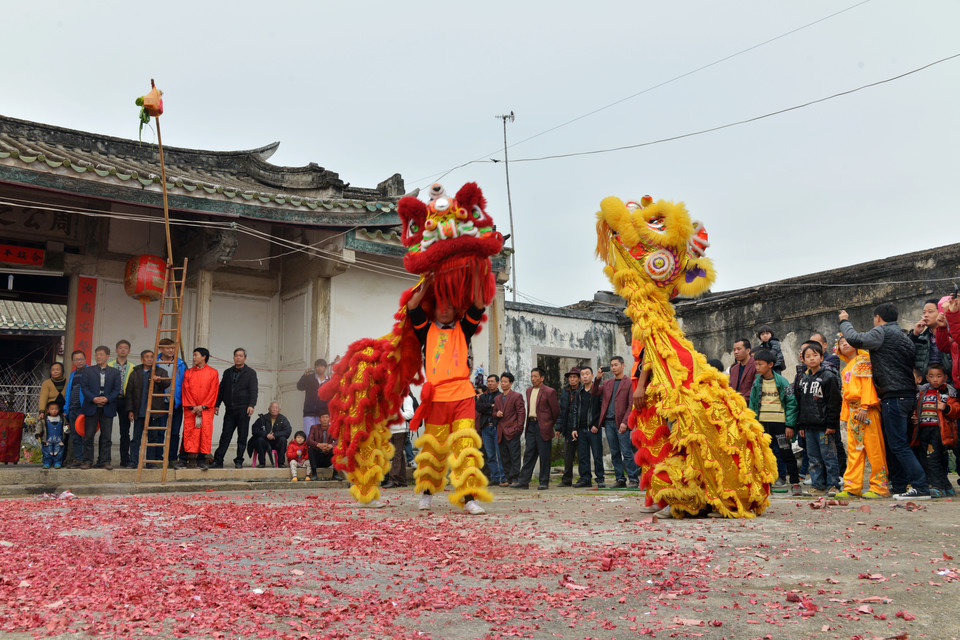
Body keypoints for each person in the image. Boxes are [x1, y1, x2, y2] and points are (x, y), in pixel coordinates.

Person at [407, 273, 491, 515]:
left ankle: (469, 498)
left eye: (449, 308)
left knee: (465, 446)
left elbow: (477, 304)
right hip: (436, 399)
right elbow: (412, 305)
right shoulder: (426, 329)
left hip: (463, 395)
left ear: (455, 311)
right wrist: (427, 284)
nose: (444, 311)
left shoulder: (464, 329)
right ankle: (426, 493)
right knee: (433, 449)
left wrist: (475, 275)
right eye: (441, 307)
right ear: (435, 311)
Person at [840, 304, 931, 500]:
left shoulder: (882, 332)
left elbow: (855, 339)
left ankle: (920, 485)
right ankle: (899, 485)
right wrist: (914, 336)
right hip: (906, 394)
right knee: (897, 443)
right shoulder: (902, 337)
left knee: (897, 445)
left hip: (894, 396)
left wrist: (844, 321)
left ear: (878, 317)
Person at [832, 337, 889, 499]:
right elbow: (845, 396)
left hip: (867, 411)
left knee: (874, 450)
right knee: (854, 451)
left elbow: (867, 384)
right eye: (841, 343)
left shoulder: (863, 360)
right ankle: (852, 486)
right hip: (852, 413)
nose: (844, 344)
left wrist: (865, 406)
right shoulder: (846, 368)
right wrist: (844, 417)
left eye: (847, 341)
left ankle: (879, 487)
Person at [748, 348, 801, 495]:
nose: (757, 367)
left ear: (770, 364)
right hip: (762, 426)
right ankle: (766, 484)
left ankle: (795, 483)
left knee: (786, 453)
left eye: (760, 364)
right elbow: (752, 405)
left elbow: (791, 404)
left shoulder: (782, 382)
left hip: (780, 425)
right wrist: (753, 424)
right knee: (764, 454)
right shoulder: (756, 384)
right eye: (756, 364)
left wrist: (789, 425)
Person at [794, 342, 842, 496]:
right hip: (808, 427)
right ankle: (818, 485)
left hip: (824, 426)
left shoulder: (828, 376)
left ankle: (833, 484)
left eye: (815, 355)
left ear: (821, 357)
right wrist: (801, 425)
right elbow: (801, 404)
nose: (812, 359)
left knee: (829, 456)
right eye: (808, 356)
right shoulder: (804, 379)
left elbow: (834, 402)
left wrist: (831, 424)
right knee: (813, 458)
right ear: (803, 359)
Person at [591, 356, 638, 489]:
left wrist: (625, 422)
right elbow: (594, 392)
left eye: (616, 365)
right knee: (614, 452)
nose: (613, 367)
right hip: (609, 422)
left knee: (627, 452)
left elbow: (631, 405)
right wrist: (598, 378)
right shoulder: (607, 383)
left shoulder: (629, 382)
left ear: (623, 366)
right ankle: (620, 479)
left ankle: (633, 479)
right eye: (611, 365)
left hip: (621, 422)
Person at [511, 367, 559, 491]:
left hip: (544, 426)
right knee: (529, 454)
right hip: (531, 425)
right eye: (531, 376)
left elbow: (556, 411)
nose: (533, 379)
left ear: (542, 378)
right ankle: (523, 481)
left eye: (535, 376)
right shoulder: (528, 391)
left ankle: (543, 482)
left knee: (544, 456)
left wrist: (550, 424)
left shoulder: (549, 391)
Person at [913, 363, 957, 498]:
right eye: (931, 376)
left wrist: (947, 408)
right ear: (926, 377)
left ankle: (937, 486)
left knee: (933, 459)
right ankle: (946, 486)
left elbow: (956, 410)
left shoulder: (948, 392)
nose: (935, 379)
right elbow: (918, 407)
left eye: (938, 376)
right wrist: (915, 417)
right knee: (927, 459)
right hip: (923, 430)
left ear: (945, 377)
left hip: (938, 431)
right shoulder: (922, 392)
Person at [213, 348, 259, 469]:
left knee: (242, 436)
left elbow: (254, 390)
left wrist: (251, 405)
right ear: (233, 358)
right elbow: (221, 389)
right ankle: (218, 460)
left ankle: (239, 460)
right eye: (236, 355)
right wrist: (217, 404)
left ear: (245, 358)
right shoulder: (228, 372)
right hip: (230, 409)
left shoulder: (250, 373)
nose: (238, 358)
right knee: (225, 435)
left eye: (240, 356)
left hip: (244, 409)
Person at [78, 346, 121, 469]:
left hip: (107, 407)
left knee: (106, 436)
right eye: (97, 354)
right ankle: (87, 461)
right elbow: (84, 387)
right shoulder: (88, 371)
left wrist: (107, 398)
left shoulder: (115, 372)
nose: (98, 357)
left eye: (101, 354)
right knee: (88, 436)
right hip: (91, 406)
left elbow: (116, 389)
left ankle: (105, 461)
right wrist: (94, 398)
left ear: (107, 356)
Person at [127, 350, 170, 467]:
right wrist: (130, 410)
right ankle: (133, 461)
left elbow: (167, 384)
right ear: (142, 359)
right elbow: (129, 393)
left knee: (153, 438)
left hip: (154, 411)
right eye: (147, 357)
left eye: (152, 357)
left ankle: (150, 462)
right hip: (139, 410)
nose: (150, 359)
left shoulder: (161, 371)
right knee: (136, 438)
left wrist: (159, 380)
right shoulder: (135, 372)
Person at [181, 348, 219, 469]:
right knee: (188, 432)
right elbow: (185, 390)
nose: (193, 358)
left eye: (195, 355)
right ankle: (182, 459)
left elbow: (213, 391)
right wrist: (193, 406)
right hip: (191, 408)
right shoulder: (188, 372)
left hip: (206, 409)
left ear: (203, 357)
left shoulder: (213, 372)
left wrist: (203, 406)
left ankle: (201, 460)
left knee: (205, 433)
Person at [156, 338, 187, 468]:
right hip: (160, 402)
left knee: (174, 432)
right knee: (160, 431)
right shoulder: (155, 363)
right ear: (161, 349)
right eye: (168, 348)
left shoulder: (180, 363)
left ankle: (172, 458)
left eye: (173, 348)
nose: (171, 350)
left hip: (176, 403)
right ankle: (158, 458)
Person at [573, 366, 604, 488]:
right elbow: (575, 410)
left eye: (587, 374)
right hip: (581, 429)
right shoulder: (579, 393)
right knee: (583, 456)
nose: (585, 376)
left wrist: (596, 425)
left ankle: (600, 478)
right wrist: (574, 428)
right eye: (582, 374)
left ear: (592, 376)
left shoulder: (597, 391)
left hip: (594, 429)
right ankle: (585, 478)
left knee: (597, 455)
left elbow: (602, 409)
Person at [107, 339, 135, 468]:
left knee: (125, 432)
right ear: (116, 350)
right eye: (120, 347)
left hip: (125, 400)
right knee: (106, 429)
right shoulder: (110, 365)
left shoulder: (133, 367)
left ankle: (125, 459)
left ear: (129, 351)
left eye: (125, 348)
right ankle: (105, 459)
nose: (123, 350)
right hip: (111, 400)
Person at [494, 372, 525, 487]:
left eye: (505, 381)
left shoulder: (517, 396)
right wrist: (496, 413)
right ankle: (507, 478)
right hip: (501, 432)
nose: (503, 383)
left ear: (511, 383)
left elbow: (521, 413)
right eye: (501, 381)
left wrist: (518, 429)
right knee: (504, 456)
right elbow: (493, 413)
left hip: (513, 431)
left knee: (514, 456)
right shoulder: (497, 398)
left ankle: (515, 478)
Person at [475, 374, 504, 486]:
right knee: (490, 454)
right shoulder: (483, 396)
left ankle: (502, 477)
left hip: (496, 427)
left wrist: (489, 407)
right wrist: (491, 406)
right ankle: (494, 477)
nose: (490, 383)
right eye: (488, 381)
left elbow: (499, 409)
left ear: (497, 383)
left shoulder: (501, 396)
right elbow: (479, 407)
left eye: (492, 381)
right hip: (486, 427)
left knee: (499, 454)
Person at [556, 368, 581, 487]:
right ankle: (567, 479)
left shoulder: (583, 389)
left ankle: (584, 478)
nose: (572, 379)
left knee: (582, 455)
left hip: (580, 427)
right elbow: (561, 410)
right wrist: (558, 428)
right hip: (568, 427)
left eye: (574, 377)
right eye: (570, 377)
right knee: (567, 455)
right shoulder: (565, 391)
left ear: (579, 378)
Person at [910, 299, 947, 378]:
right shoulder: (921, 337)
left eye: (930, 312)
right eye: (924, 312)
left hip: (949, 381)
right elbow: (906, 352)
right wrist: (915, 334)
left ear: (940, 312)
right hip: (926, 383)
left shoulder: (950, 335)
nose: (926, 315)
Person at [384, 394, 414, 489]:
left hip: (401, 430)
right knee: (399, 455)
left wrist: (396, 415)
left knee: (396, 455)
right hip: (392, 430)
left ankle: (393, 479)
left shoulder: (406, 398)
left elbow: (410, 413)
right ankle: (402, 480)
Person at [62, 350, 86, 467]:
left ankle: (86, 459)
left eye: (81, 359)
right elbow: (68, 392)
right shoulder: (73, 374)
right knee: (75, 435)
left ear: (85, 359)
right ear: (73, 361)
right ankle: (78, 459)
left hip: (84, 409)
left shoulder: (90, 372)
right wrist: (66, 408)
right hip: (73, 408)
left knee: (85, 435)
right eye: (76, 359)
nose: (79, 361)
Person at [248, 402, 292, 467]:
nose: (274, 409)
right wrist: (266, 435)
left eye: (276, 408)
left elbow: (287, 431)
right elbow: (254, 430)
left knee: (283, 439)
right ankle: (262, 463)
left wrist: (275, 435)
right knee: (259, 439)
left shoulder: (283, 419)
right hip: (264, 442)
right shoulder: (262, 418)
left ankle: (281, 463)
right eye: (272, 407)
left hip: (276, 442)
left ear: (279, 410)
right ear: (268, 409)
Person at [297, 359, 329, 432]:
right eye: (317, 366)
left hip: (323, 414)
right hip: (309, 412)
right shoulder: (309, 378)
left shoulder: (329, 381)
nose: (319, 368)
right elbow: (299, 387)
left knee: (321, 436)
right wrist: (304, 375)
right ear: (315, 368)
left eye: (321, 366)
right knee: (309, 436)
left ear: (325, 368)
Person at [307, 408, 337, 480]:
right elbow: (309, 440)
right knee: (310, 449)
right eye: (323, 417)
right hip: (317, 458)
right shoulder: (314, 427)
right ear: (319, 420)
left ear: (330, 419)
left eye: (327, 417)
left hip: (327, 458)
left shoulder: (333, 428)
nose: (325, 419)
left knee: (337, 449)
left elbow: (338, 440)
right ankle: (314, 474)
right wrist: (318, 445)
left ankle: (335, 474)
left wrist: (331, 446)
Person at [39, 401, 65, 469]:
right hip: (48, 438)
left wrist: (67, 429)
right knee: (47, 451)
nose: (54, 411)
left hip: (59, 438)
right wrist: (38, 434)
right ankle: (47, 462)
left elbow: (66, 426)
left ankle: (57, 462)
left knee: (59, 451)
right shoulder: (45, 419)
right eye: (52, 409)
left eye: (56, 409)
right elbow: (39, 427)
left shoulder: (62, 418)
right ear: (48, 410)